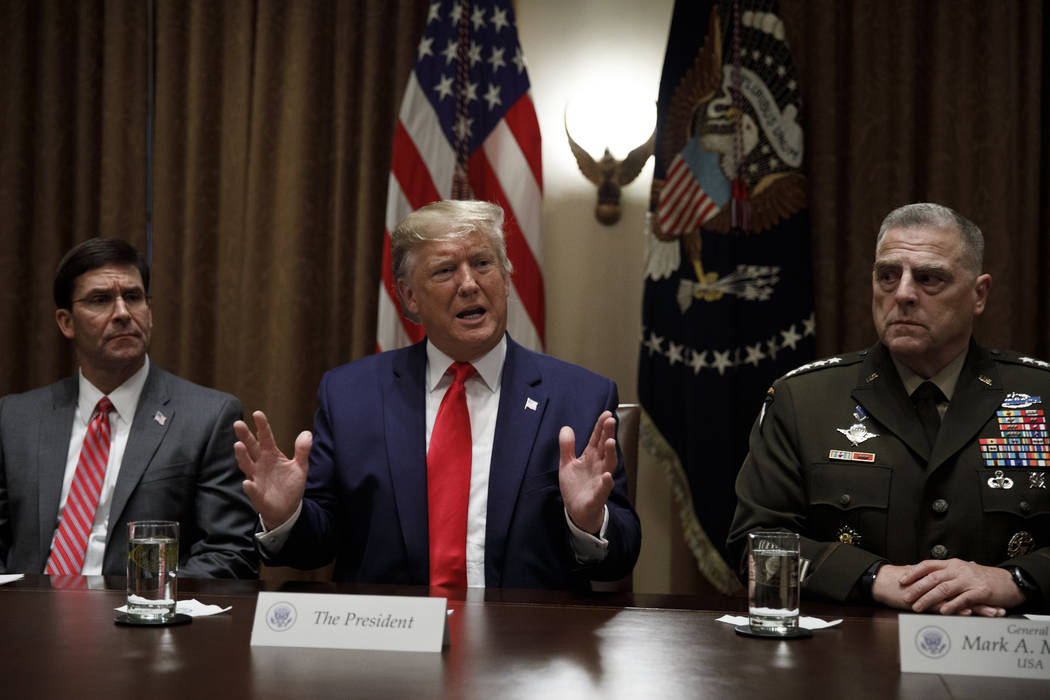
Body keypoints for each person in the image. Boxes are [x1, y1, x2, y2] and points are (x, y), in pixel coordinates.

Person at [234, 199, 641, 589]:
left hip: (527, 645)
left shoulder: (580, 397)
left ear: (506, 278)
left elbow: (622, 554)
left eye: (483, 264)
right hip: (392, 642)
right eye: (445, 270)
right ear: (410, 297)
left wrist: (589, 523)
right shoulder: (351, 394)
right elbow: (317, 546)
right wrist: (287, 516)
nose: (469, 284)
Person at [728, 202, 1049, 615]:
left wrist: (1014, 579)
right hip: (848, 655)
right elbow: (752, 547)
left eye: (930, 278)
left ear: (979, 294)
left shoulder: (1039, 394)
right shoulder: (804, 399)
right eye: (887, 276)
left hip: (1005, 652)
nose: (903, 294)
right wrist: (871, 577)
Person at [0, 238, 258, 578]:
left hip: (142, 621)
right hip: (27, 618)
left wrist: (148, 604)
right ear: (66, 322)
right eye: (100, 300)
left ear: (149, 313)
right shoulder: (16, 418)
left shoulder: (209, 417)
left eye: (133, 297)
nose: (122, 313)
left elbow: (230, 553)